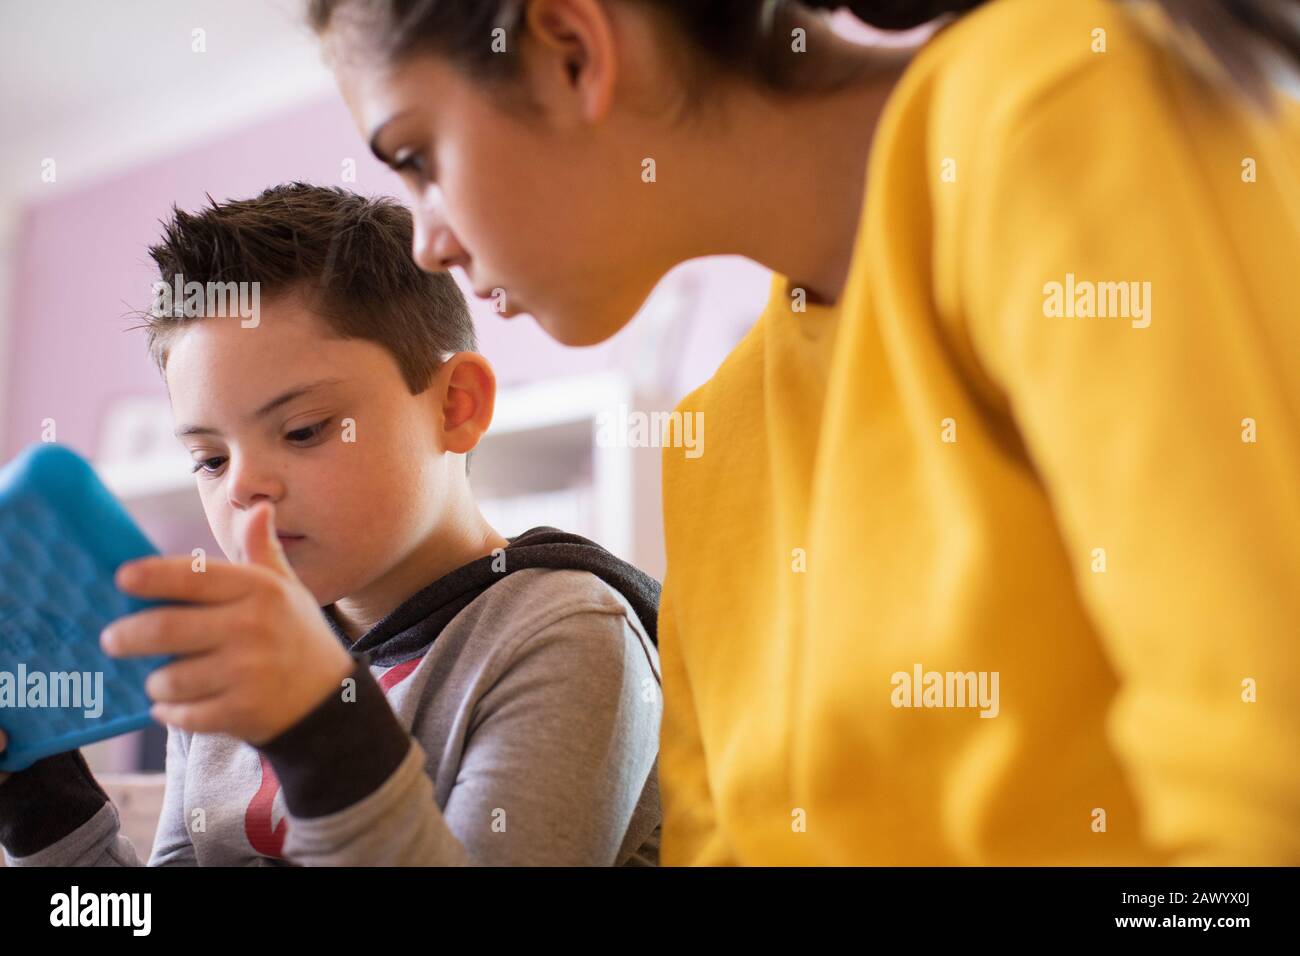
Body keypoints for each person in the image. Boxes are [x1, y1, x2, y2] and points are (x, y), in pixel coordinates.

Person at [311, 0, 1300, 864]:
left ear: (572, 46)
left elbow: (1264, 767)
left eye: (416, 156)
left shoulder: (1050, 103)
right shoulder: (715, 434)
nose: (428, 240)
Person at [0, 183, 663, 866]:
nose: (244, 486)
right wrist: (41, 801)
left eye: (303, 430)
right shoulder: (230, 653)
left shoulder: (570, 634)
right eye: (209, 458)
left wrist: (321, 729)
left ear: (456, 407)